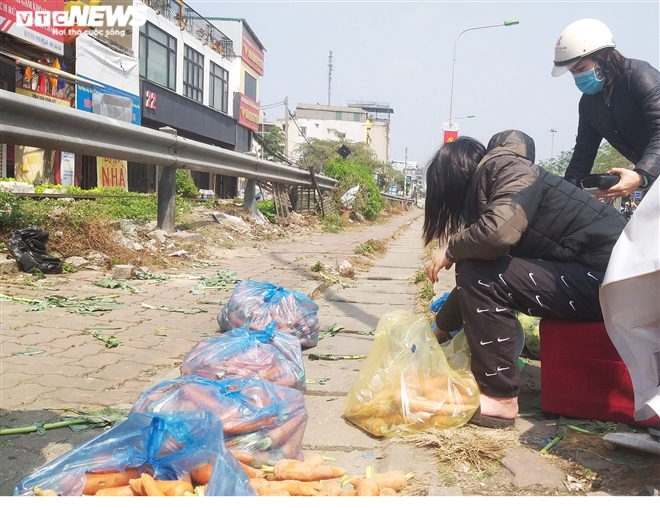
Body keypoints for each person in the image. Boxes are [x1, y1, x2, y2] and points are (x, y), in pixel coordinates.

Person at [423, 130, 627, 428]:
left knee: (475, 270)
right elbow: (478, 280)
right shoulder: (504, 174)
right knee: (476, 271)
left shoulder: (506, 169)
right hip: (600, 278)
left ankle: (500, 398)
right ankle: (498, 392)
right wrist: (437, 332)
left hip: (610, 282)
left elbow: (497, 235)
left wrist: (452, 250)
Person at [551, 18, 660, 198]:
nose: (577, 77)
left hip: (650, 173)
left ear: (603, 57)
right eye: (573, 73)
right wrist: (561, 198)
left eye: (581, 68)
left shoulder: (640, 77)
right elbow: (582, 158)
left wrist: (641, 175)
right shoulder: (588, 104)